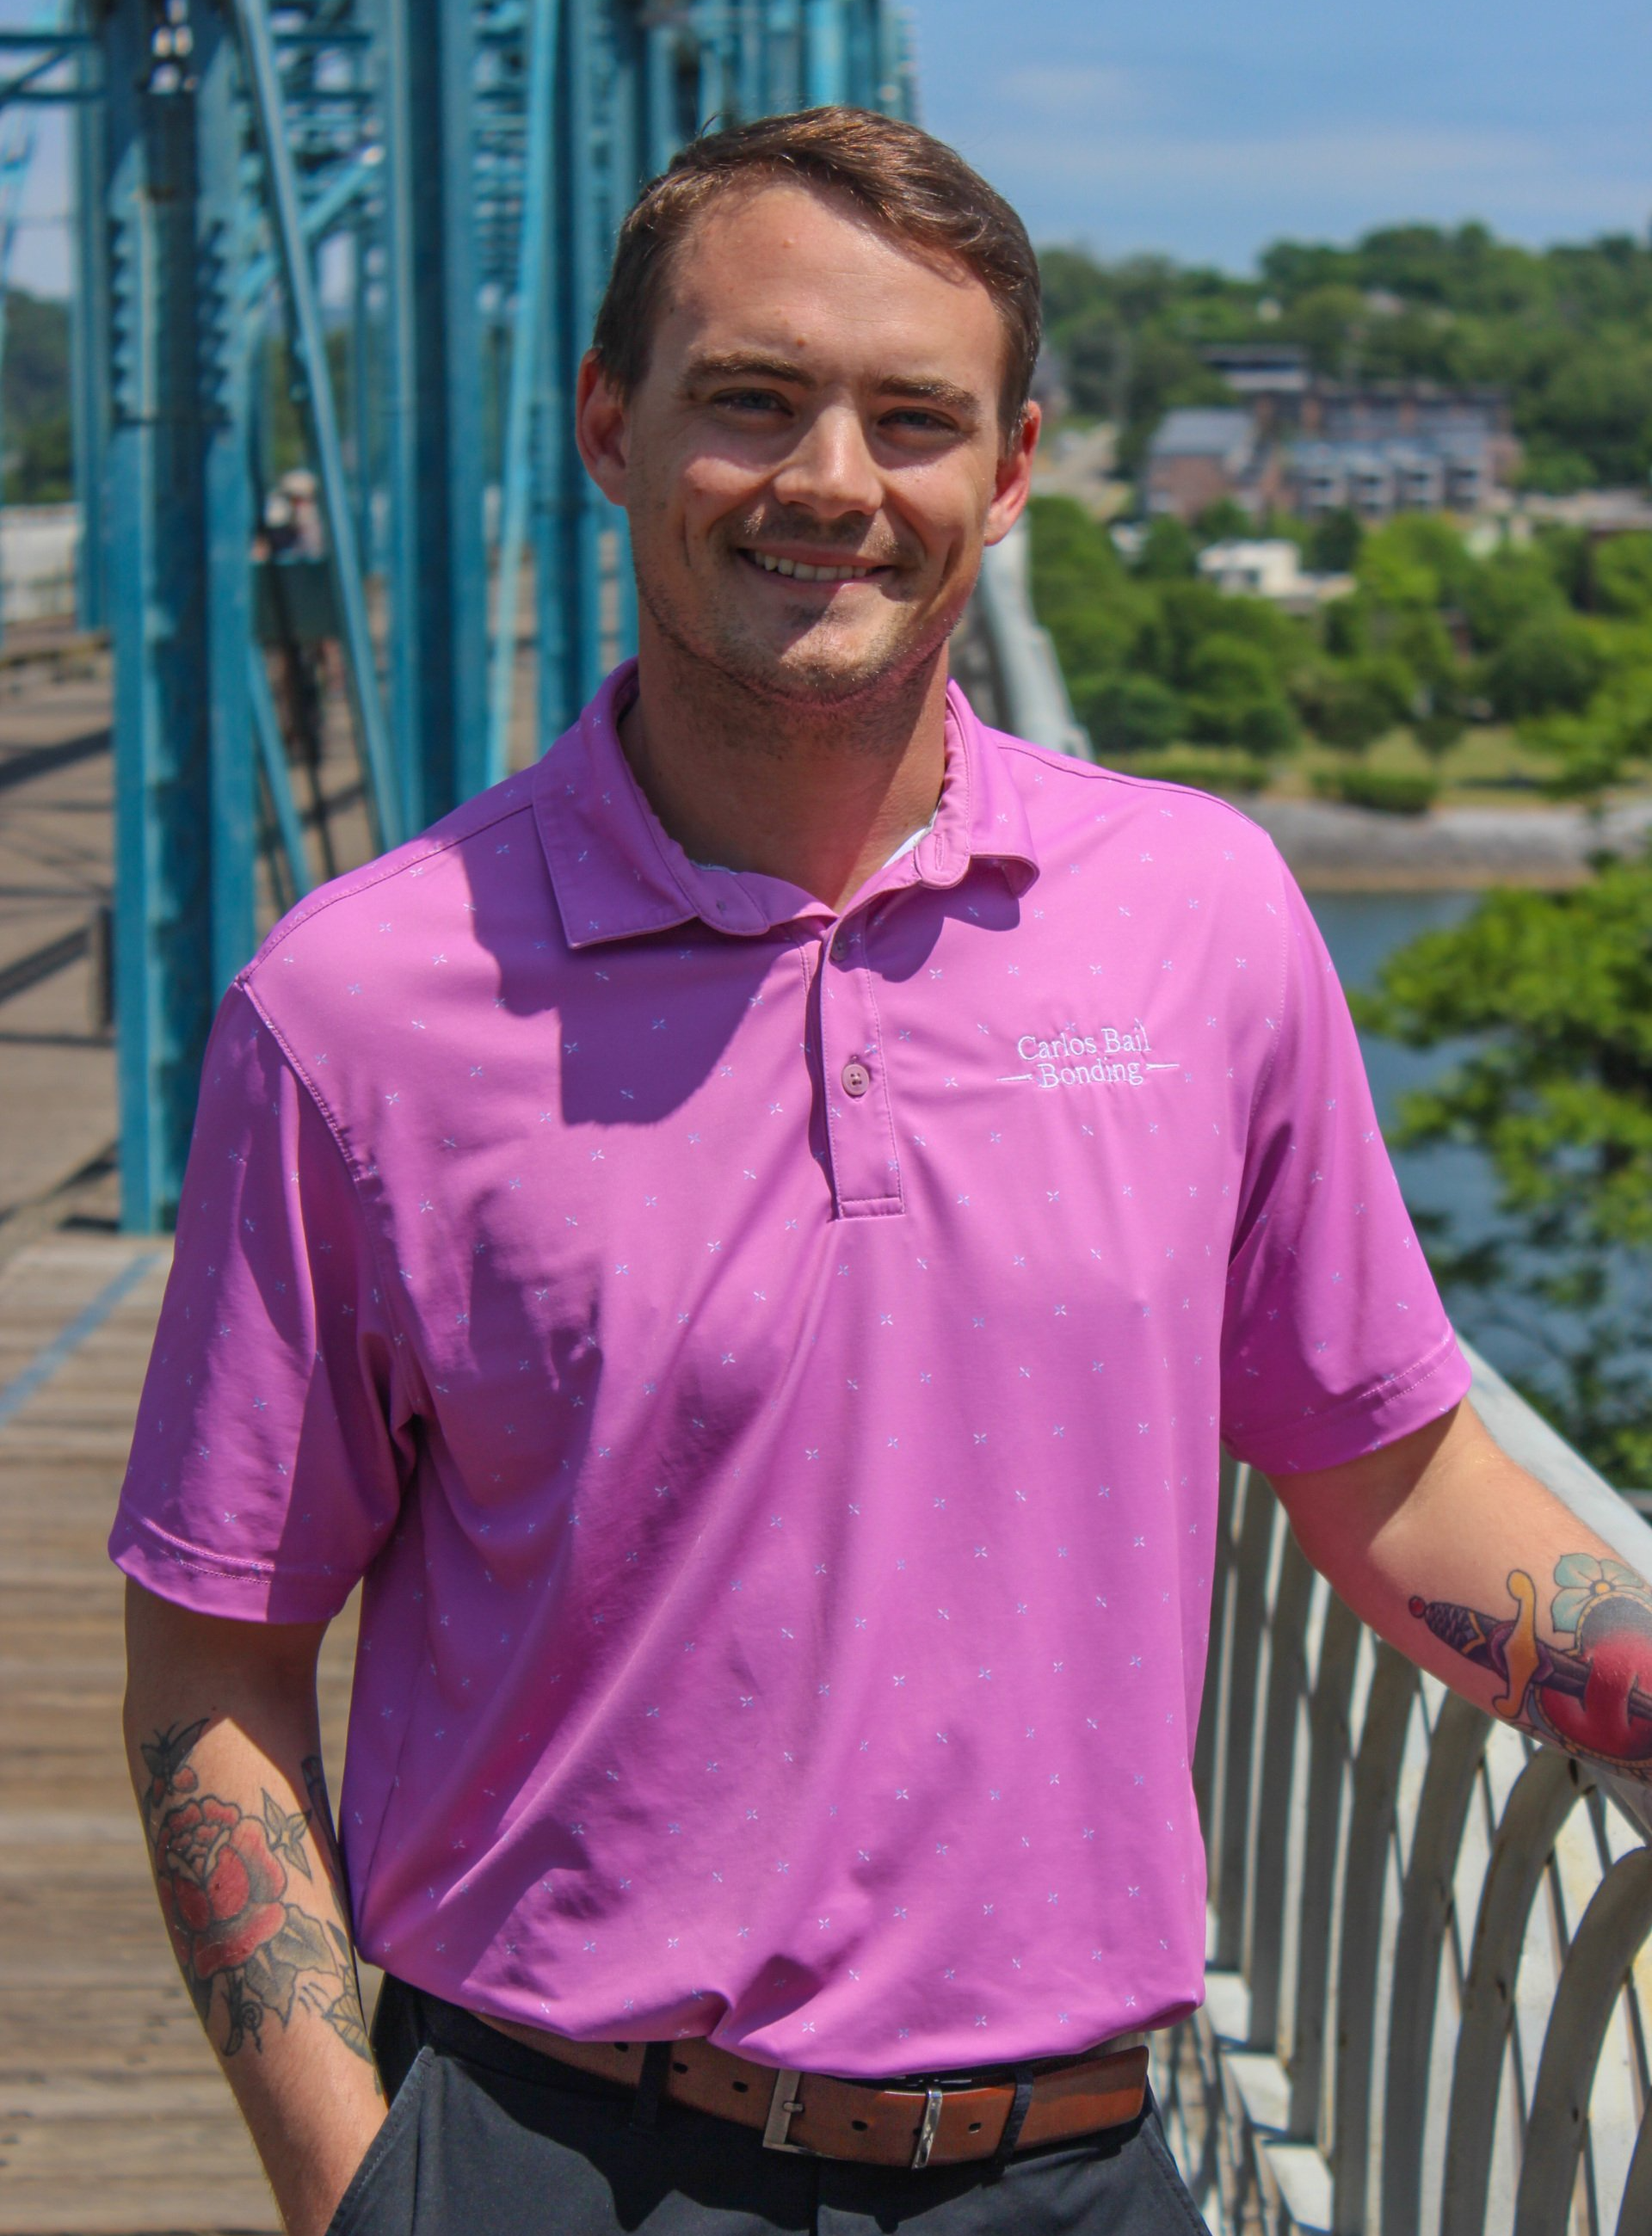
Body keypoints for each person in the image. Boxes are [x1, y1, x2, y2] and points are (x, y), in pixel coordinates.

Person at [113, 107, 1652, 2236]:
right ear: (609, 425)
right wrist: (352, 2187)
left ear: (1008, 474)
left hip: (1090, 2165)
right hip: (552, 2151)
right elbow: (215, 1662)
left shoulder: (1200, 916)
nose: (831, 479)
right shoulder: (359, 1008)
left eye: (911, 417)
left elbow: (1390, 1476)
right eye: (751, 398)